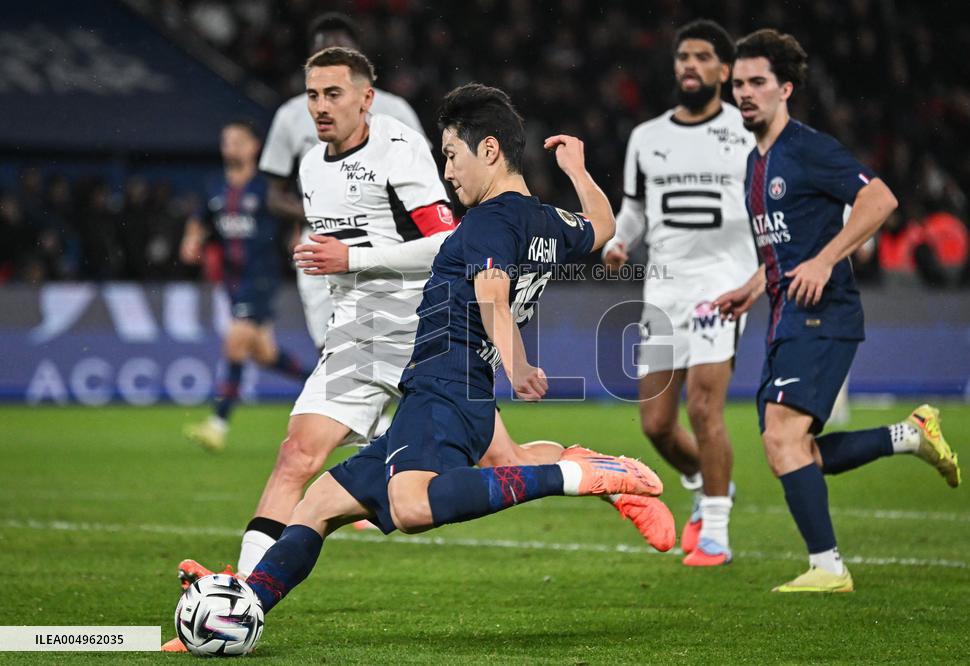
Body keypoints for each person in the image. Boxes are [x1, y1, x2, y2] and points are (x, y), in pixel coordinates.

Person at [163, 57, 674, 653]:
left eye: (453, 155)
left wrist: (519, 365)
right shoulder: (544, 221)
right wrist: (578, 170)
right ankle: (240, 609)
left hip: (446, 379)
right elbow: (603, 225)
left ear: (489, 151)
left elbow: (490, 294)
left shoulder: (486, 224)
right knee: (320, 503)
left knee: (410, 506)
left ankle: (580, 474)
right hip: (443, 382)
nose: (448, 172)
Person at [715, 29, 961, 592]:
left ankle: (827, 568)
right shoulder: (756, 164)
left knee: (782, 438)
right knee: (791, 447)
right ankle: (911, 435)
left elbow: (880, 200)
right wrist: (755, 286)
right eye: (739, 85)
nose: (745, 93)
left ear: (786, 89)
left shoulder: (807, 148)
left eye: (757, 83)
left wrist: (826, 261)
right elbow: (786, 245)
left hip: (823, 312)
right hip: (785, 313)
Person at [602, 20, 754, 566]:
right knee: (656, 425)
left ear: (724, 70)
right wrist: (620, 241)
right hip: (662, 294)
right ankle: (708, 484)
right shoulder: (648, 138)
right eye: (682, 56)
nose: (689, 65)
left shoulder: (747, 133)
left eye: (702, 57)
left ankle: (716, 531)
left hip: (722, 289)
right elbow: (636, 211)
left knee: (704, 408)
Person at [259, 12, 426, 352]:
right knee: (330, 345)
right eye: (324, 53)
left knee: (392, 343)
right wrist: (318, 214)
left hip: (386, 240)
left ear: (359, 56)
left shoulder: (395, 111)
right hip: (318, 242)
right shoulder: (291, 115)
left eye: (341, 52)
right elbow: (274, 195)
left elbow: (424, 181)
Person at [181, 121, 311, 451]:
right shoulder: (215, 187)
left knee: (235, 342)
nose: (231, 148)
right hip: (232, 281)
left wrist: (299, 235)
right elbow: (201, 218)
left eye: (238, 141)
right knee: (264, 354)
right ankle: (319, 384)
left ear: (254, 146)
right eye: (227, 142)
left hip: (262, 276)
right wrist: (192, 239)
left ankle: (217, 423)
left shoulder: (266, 188)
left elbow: (300, 211)